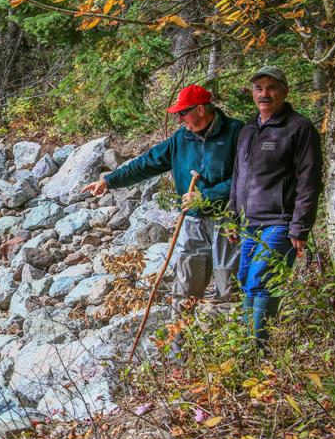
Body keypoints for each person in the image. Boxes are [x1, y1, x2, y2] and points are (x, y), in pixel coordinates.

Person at [82, 84, 243, 304]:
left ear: (201, 110)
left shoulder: (237, 132)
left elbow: (245, 179)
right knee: (186, 285)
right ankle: (181, 334)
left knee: (228, 287)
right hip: (193, 219)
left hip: (226, 220)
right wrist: (109, 181)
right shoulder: (181, 139)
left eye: (183, 113)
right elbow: (147, 163)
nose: (180, 119)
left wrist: (207, 196)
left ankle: (225, 333)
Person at [228, 66, 323, 346]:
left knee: (262, 280)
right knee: (245, 279)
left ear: (285, 91)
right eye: (258, 88)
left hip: (280, 222)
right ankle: (248, 346)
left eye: (271, 88)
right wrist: (232, 217)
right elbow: (238, 178)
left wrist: (299, 227)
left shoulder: (298, 128)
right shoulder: (248, 129)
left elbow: (309, 181)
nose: (264, 94)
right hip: (249, 222)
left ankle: (261, 349)